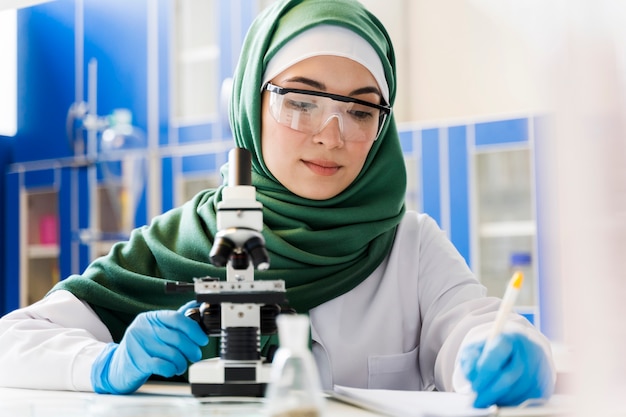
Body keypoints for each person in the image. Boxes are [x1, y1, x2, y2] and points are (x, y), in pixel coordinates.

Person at [0, 0, 555, 408]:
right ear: (250, 104)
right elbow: (13, 342)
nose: (331, 134)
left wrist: (505, 349)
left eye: (361, 111)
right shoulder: (175, 244)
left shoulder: (409, 245)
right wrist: (103, 364)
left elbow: (472, 326)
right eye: (301, 101)